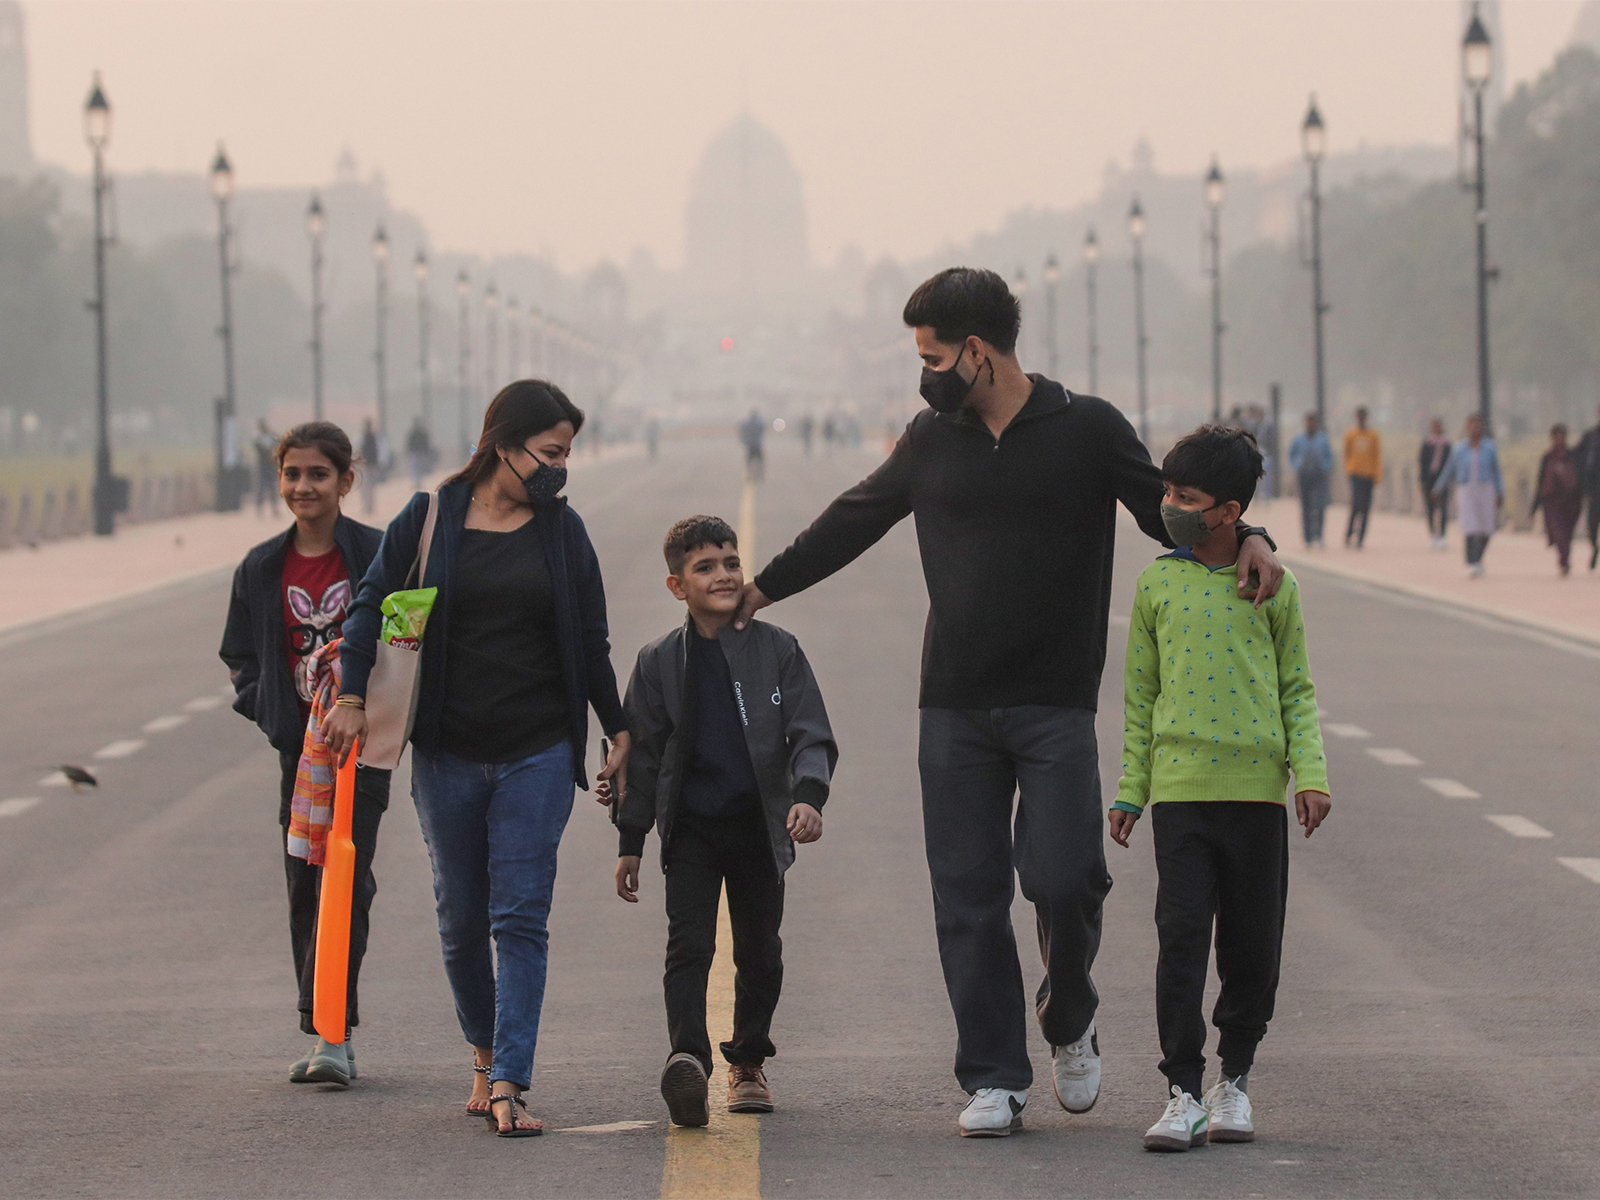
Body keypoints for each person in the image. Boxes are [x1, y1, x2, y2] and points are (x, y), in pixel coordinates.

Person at [731, 267, 1284, 1137]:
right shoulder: (929, 437)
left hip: (1055, 703)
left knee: (1067, 881)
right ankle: (993, 1073)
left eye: (934, 355)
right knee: (968, 895)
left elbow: (1166, 510)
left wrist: (1250, 533)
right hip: (952, 702)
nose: (926, 371)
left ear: (979, 352)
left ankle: (1068, 1015)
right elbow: (854, 519)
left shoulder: (1087, 428)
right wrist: (761, 588)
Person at [323, 381, 630, 1137]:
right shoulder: (430, 519)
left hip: (537, 750)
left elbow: (591, 640)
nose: (561, 468)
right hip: (449, 752)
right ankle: (484, 1049)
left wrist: (616, 728)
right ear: (504, 444)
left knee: (519, 917)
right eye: (551, 452)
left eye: (567, 454)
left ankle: (509, 1080)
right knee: (461, 920)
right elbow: (370, 603)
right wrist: (353, 694)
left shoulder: (564, 532)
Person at [1108, 425, 1330, 1153]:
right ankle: (1180, 1091)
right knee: (1179, 941)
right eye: (1169, 490)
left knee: (1250, 946)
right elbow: (1141, 697)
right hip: (1180, 794)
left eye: (1186, 497)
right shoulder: (1156, 583)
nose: (1169, 505)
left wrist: (1311, 775)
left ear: (1229, 510)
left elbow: (1297, 688)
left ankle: (1232, 1082)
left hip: (1258, 796)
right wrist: (1130, 791)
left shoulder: (1272, 585)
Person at [614, 516, 837, 1127]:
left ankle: (747, 1061)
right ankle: (687, 1059)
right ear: (676, 586)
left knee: (760, 951)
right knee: (688, 946)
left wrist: (808, 796)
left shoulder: (778, 649)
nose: (724, 575)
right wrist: (630, 839)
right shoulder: (658, 661)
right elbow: (645, 756)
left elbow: (810, 733)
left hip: (758, 830)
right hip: (690, 832)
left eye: (731, 563)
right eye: (705, 567)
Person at [219, 421, 390, 1086]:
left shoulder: (377, 556)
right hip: (302, 755)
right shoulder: (263, 567)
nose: (303, 486)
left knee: (344, 876)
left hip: (363, 749)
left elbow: (407, 634)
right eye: (292, 474)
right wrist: (275, 718)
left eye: (318, 474)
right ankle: (322, 1028)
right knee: (305, 882)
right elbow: (240, 656)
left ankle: (333, 1035)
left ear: (347, 481)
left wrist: (375, 710)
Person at [1433, 413, 1503, 578]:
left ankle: (1479, 557)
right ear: (1467, 427)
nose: (1475, 428)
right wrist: (1438, 488)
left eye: (1478, 425)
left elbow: (1496, 471)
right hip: (1466, 489)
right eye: (1472, 425)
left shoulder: (1489, 447)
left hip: (1485, 488)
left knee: (1486, 527)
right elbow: (1449, 470)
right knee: (1469, 525)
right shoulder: (1459, 448)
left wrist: (1500, 492)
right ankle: (1472, 560)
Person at [1530, 423, 1583, 576]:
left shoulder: (1573, 456)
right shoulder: (1547, 458)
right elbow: (1541, 481)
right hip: (1553, 502)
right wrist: (1535, 505)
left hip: (1571, 501)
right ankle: (1564, 561)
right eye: (1556, 436)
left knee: (1567, 533)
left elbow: (1581, 478)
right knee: (1559, 532)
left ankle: (1565, 557)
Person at [1288, 413, 1332, 549]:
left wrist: (1326, 466)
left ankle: (1318, 535)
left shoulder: (1322, 439)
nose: (1310, 425)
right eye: (1308, 422)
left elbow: (1330, 456)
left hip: (1319, 476)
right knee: (1306, 507)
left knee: (1319, 506)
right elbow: (1291, 454)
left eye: (1312, 422)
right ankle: (1307, 537)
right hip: (1304, 475)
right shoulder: (1299, 439)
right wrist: (1296, 465)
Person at [1342, 407, 1381, 549]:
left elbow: (1377, 455)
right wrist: (1348, 469)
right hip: (1355, 474)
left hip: (1369, 475)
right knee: (1356, 506)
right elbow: (1346, 453)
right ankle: (1349, 533)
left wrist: (1377, 475)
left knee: (1366, 508)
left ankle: (1361, 538)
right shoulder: (1351, 434)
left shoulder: (1373, 435)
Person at [1418, 417, 1453, 550]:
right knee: (1430, 508)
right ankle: (1433, 534)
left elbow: (1450, 464)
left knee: (1443, 508)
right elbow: (1421, 463)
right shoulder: (1427, 443)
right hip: (1429, 479)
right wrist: (1421, 480)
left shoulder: (1447, 444)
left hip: (1443, 479)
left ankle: (1442, 535)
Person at [1575, 403, 1600, 571]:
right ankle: (1594, 548)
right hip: (1595, 489)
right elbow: (1576, 456)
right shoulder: (1591, 436)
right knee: (1592, 526)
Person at [253, 419, 279, 516]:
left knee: (268, 487)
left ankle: (272, 509)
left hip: (268, 465)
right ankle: (261, 509)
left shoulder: (267, 437)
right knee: (263, 488)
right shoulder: (260, 438)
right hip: (264, 465)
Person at [406, 416, 434, 492]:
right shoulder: (419, 434)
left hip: (417, 453)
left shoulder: (414, 434)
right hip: (418, 453)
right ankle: (418, 483)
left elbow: (409, 444)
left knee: (416, 469)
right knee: (418, 469)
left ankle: (417, 483)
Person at [360, 419, 381, 516]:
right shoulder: (373, 437)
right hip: (371, 464)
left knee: (367, 487)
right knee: (370, 487)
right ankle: (370, 506)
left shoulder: (364, 437)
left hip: (367, 464)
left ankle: (368, 506)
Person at [739, 409, 766, 483]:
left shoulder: (746, 423)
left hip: (750, 444)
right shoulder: (760, 423)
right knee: (760, 460)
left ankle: (748, 474)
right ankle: (760, 474)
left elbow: (742, 430)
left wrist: (743, 440)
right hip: (757, 444)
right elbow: (763, 430)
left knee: (749, 461)